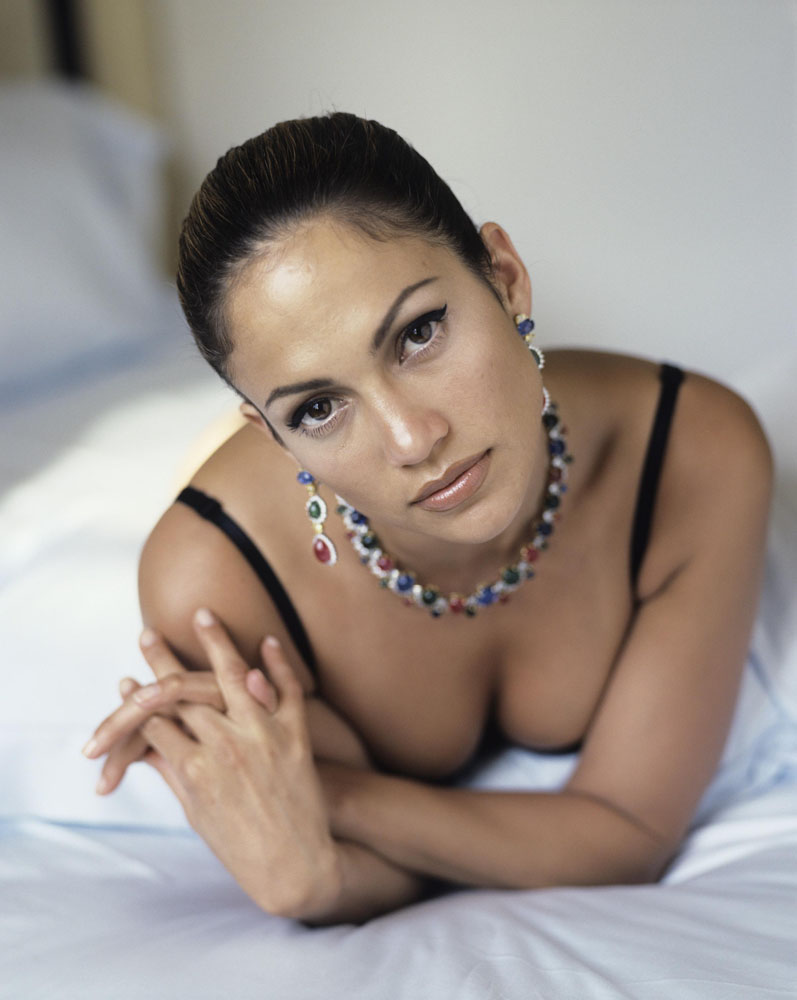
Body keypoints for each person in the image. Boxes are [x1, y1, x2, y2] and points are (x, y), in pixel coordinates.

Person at [83, 112, 773, 925]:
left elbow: (627, 832)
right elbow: (334, 864)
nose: (413, 439)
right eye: (316, 408)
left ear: (505, 277)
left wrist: (328, 794)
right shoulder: (217, 584)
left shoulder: (692, 452)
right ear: (271, 435)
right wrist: (316, 889)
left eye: (418, 333)